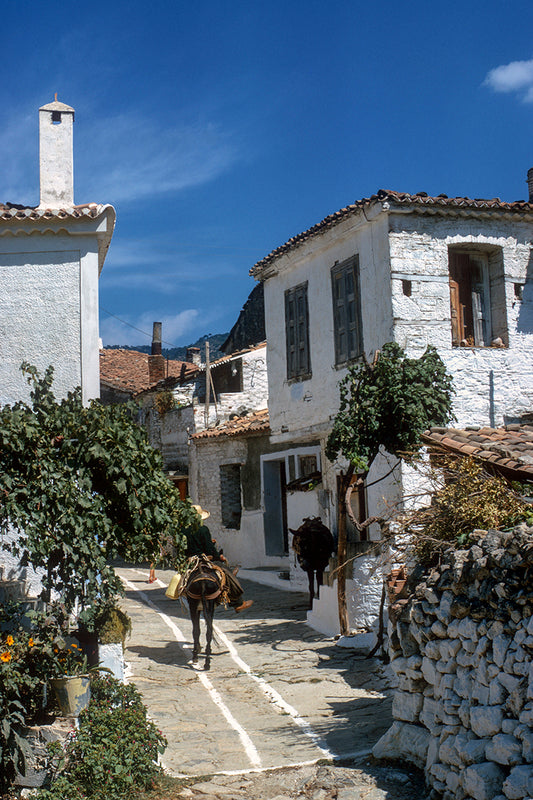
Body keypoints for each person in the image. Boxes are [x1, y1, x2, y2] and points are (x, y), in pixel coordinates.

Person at [184, 505, 253, 613]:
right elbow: (209, 548)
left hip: (190, 561)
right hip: (204, 559)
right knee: (226, 573)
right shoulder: (203, 529)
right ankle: (237, 603)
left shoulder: (184, 530)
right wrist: (218, 557)